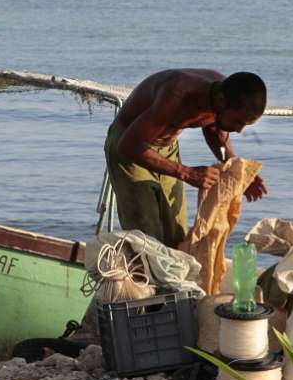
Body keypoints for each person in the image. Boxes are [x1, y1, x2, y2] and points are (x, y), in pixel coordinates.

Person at [104, 69, 270, 248]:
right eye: (238, 122)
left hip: (167, 149)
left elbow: (217, 135)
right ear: (221, 101)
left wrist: (237, 171)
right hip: (129, 147)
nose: (239, 131)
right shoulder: (177, 95)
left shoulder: (224, 96)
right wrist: (187, 173)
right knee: (146, 238)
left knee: (177, 236)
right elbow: (129, 145)